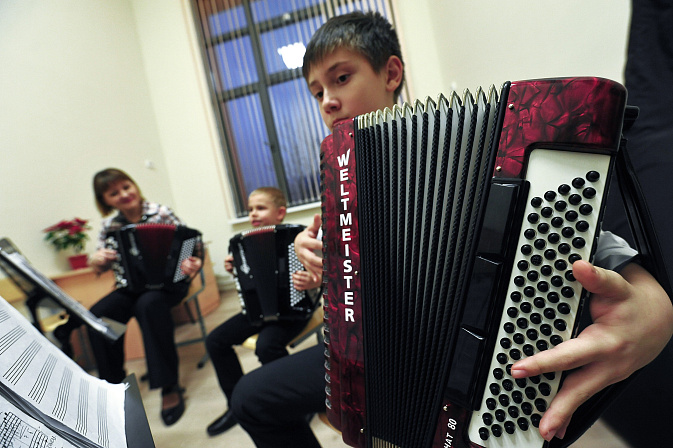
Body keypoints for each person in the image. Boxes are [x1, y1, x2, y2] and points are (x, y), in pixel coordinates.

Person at [231, 11, 673, 448]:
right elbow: (340, 297)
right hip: (369, 358)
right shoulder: (336, 184)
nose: (327, 99)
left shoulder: (475, 148)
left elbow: (586, 237)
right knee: (252, 398)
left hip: (476, 370)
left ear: (391, 73)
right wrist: (318, 272)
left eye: (341, 78)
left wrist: (655, 303)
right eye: (317, 91)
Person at [86, 168, 202, 426]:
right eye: (113, 193)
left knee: (149, 305)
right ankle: (115, 384)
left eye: (126, 187)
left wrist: (190, 263)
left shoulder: (160, 212)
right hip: (130, 286)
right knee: (99, 316)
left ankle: (169, 386)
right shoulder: (109, 225)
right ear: (105, 200)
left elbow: (189, 244)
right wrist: (96, 260)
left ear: (134, 185)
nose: (124, 194)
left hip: (168, 286)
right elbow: (99, 264)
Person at [205, 187, 321, 436]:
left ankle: (291, 401)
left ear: (280, 213)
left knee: (266, 346)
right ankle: (234, 405)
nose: (253, 214)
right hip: (258, 310)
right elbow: (248, 280)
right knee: (215, 340)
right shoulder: (242, 242)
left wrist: (310, 279)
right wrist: (234, 268)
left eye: (260, 208)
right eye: (249, 209)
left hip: (296, 308)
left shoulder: (300, 235)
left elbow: (319, 273)